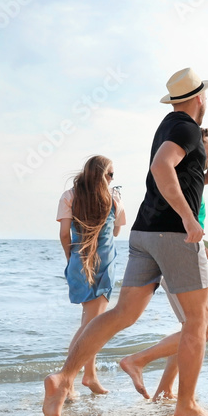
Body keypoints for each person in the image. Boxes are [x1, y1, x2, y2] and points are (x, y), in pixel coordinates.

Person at [43, 68, 208, 416]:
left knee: (122, 313)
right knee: (198, 321)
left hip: (144, 231)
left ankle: (63, 378)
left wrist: (203, 179)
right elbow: (161, 167)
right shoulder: (186, 127)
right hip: (173, 234)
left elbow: (171, 172)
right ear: (200, 97)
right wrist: (189, 218)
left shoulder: (167, 126)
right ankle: (185, 403)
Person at [119, 128, 208, 402]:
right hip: (177, 251)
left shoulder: (191, 185)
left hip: (177, 248)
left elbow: (192, 224)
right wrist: (207, 254)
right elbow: (182, 224)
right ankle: (138, 360)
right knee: (202, 329)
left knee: (192, 326)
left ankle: (165, 388)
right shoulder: (178, 181)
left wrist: (206, 180)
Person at [56, 155, 126, 398]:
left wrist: (70, 259)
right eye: (110, 174)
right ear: (101, 175)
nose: (112, 179)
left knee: (90, 322)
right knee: (92, 325)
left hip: (79, 261)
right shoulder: (113, 199)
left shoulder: (69, 196)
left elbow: (65, 234)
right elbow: (116, 230)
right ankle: (69, 378)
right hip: (104, 264)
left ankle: (89, 375)